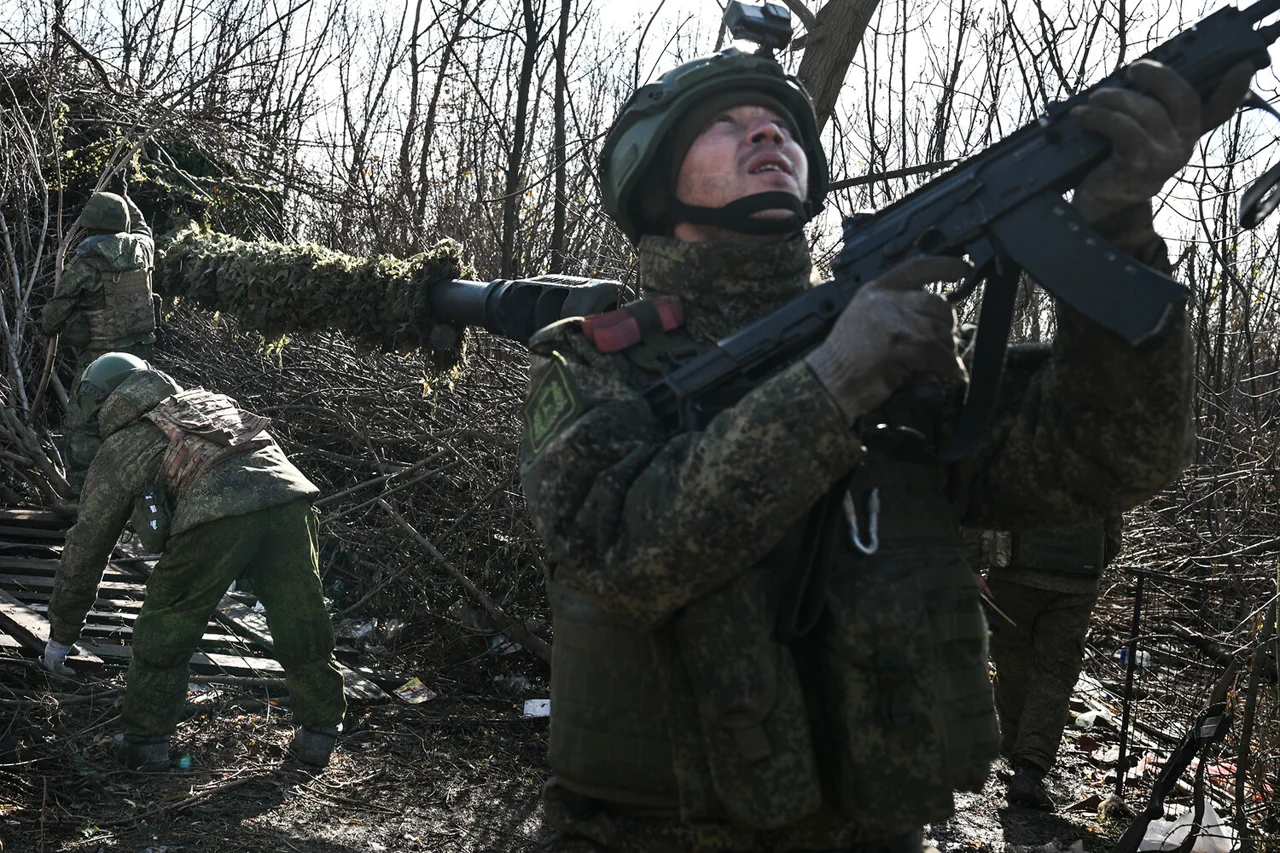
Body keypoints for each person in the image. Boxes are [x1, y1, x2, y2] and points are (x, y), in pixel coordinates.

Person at [517, 41, 1248, 853]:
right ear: (653, 177)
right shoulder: (599, 360)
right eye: (725, 123)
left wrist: (1114, 226)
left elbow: (1109, 456)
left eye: (780, 124)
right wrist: (832, 384)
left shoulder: (888, 347)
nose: (767, 133)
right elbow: (621, 554)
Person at [41, 352, 346, 771]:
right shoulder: (208, 401)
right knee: (301, 617)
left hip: (215, 516)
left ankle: (144, 742)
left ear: (102, 401)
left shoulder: (124, 444)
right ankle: (320, 731)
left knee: (167, 624)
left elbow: (87, 546)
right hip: (290, 499)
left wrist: (60, 636)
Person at [971, 520, 1122, 811]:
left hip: (1014, 572)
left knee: (1013, 665)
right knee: (1055, 675)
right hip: (1075, 577)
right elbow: (1112, 523)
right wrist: (1092, 561)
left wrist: (971, 566)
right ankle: (1029, 768)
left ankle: (1019, 758)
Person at [42, 191, 158, 498]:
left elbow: (51, 319)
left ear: (90, 224)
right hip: (141, 362)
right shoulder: (143, 249)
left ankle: (85, 497)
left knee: (82, 427)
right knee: (135, 423)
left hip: (98, 366)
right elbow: (143, 228)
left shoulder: (87, 262)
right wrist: (127, 198)